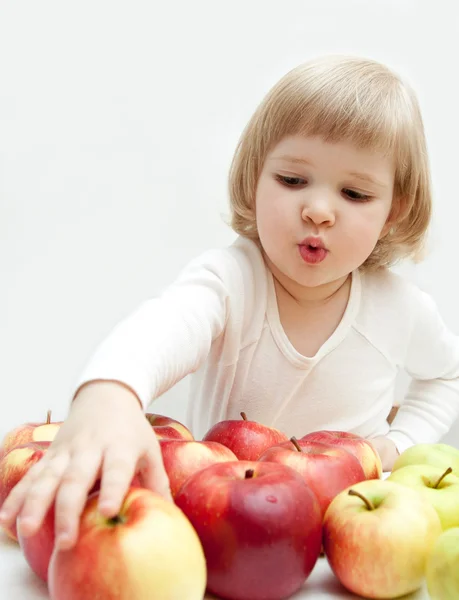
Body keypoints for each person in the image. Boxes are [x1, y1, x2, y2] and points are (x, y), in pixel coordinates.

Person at [2, 55, 459, 553]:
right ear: (255, 178)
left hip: (349, 539)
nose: (318, 210)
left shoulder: (399, 307)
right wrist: (111, 392)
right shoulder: (231, 281)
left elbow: (446, 374)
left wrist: (403, 441)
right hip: (226, 533)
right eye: (292, 180)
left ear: (394, 212)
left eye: (353, 192)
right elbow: (167, 325)